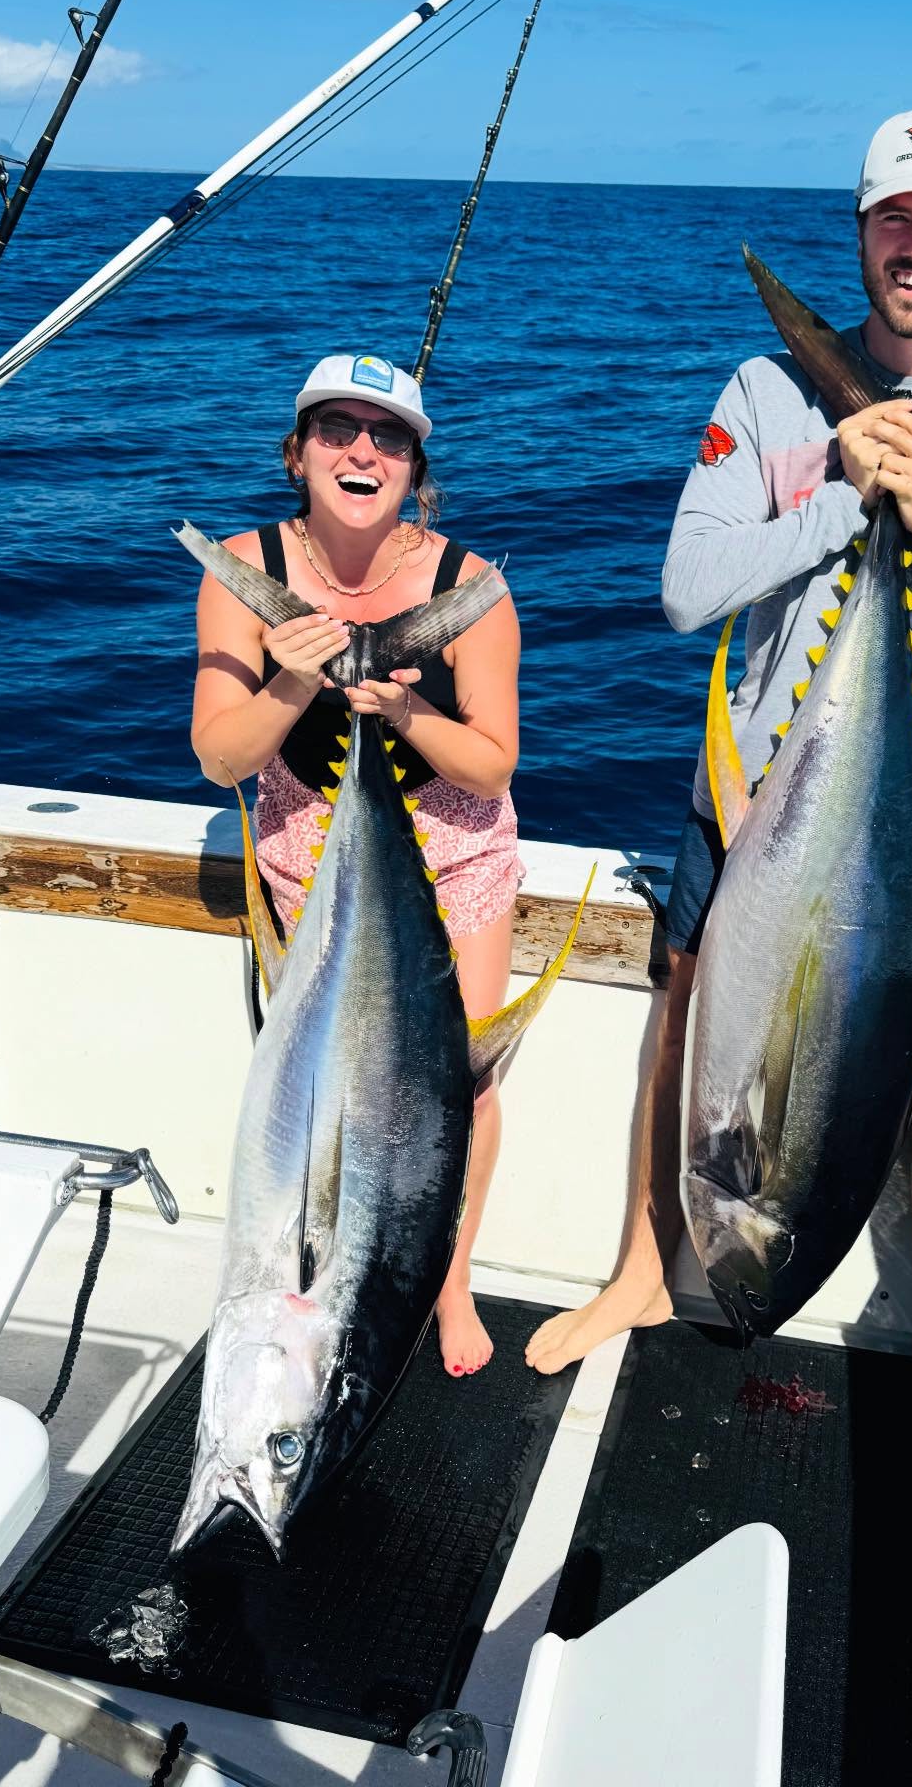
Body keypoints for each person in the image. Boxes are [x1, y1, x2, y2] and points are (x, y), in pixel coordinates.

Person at [526, 110, 912, 1513]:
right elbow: (688, 589)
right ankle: (637, 1270)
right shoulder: (768, 383)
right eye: (892, 221)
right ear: (861, 232)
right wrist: (846, 494)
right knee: (686, 1007)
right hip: (756, 795)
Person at [191, 353, 522, 1380]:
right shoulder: (243, 571)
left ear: (417, 470)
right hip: (307, 844)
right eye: (335, 430)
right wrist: (294, 683)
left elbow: (495, 758)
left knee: (458, 1079)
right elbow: (218, 757)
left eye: (387, 437)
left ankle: (446, 1274)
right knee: (316, 1081)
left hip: (450, 845)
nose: (361, 451)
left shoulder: (471, 586)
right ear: (297, 456)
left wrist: (407, 708)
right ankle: (318, 1257)